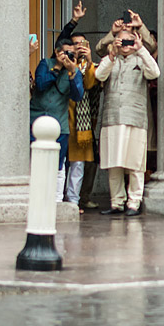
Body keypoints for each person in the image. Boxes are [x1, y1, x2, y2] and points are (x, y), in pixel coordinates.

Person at [96, 27, 160, 216]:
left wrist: (141, 49)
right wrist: (112, 54)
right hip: (112, 117)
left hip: (135, 118)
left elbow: (154, 73)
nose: (125, 45)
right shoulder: (109, 59)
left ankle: (134, 202)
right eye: (121, 41)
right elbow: (99, 75)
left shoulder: (141, 59)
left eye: (129, 41)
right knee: (113, 162)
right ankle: (117, 202)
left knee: (135, 163)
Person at [30, 36, 85, 201]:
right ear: (57, 52)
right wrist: (56, 68)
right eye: (65, 52)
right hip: (36, 121)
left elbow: (77, 95)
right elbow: (40, 84)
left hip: (59, 125)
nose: (68, 56)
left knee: (59, 165)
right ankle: (36, 198)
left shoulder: (74, 71)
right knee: (35, 162)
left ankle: (56, 200)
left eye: (71, 53)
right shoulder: (45, 64)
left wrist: (72, 72)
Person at [64, 30, 100, 212]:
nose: (79, 47)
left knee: (78, 164)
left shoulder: (88, 65)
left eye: (82, 43)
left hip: (81, 122)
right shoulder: (64, 61)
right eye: (75, 43)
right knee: (61, 163)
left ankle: (73, 201)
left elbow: (90, 84)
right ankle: (56, 198)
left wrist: (89, 59)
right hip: (64, 114)